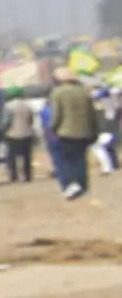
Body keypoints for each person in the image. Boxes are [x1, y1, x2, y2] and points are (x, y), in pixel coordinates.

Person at [52, 68, 98, 200]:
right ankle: (83, 186)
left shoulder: (58, 92)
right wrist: (94, 130)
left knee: (67, 160)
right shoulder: (83, 91)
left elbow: (57, 114)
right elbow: (91, 113)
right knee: (81, 160)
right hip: (85, 130)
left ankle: (71, 186)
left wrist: (53, 128)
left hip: (66, 131)